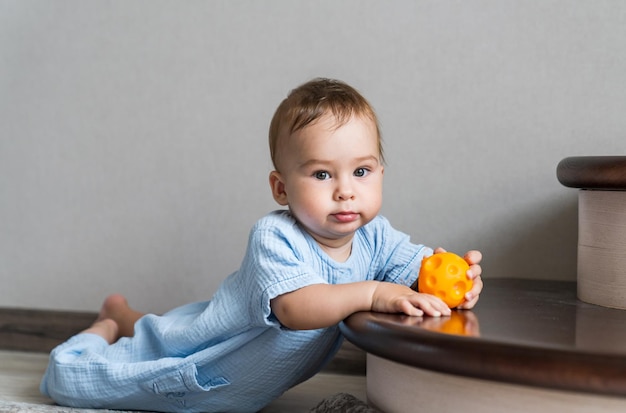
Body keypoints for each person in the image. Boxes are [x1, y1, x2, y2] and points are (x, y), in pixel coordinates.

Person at [40, 78, 483, 412]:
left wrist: (454, 278)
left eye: (361, 172)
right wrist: (373, 292)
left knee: (167, 327)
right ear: (281, 188)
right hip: (202, 364)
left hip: (221, 347)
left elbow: (413, 270)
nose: (346, 190)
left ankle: (123, 315)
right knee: (68, 376)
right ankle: (107, 325)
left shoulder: (375, 235)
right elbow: (297, 308)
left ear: (381, 173)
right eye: (322, 174)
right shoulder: (274, 235)